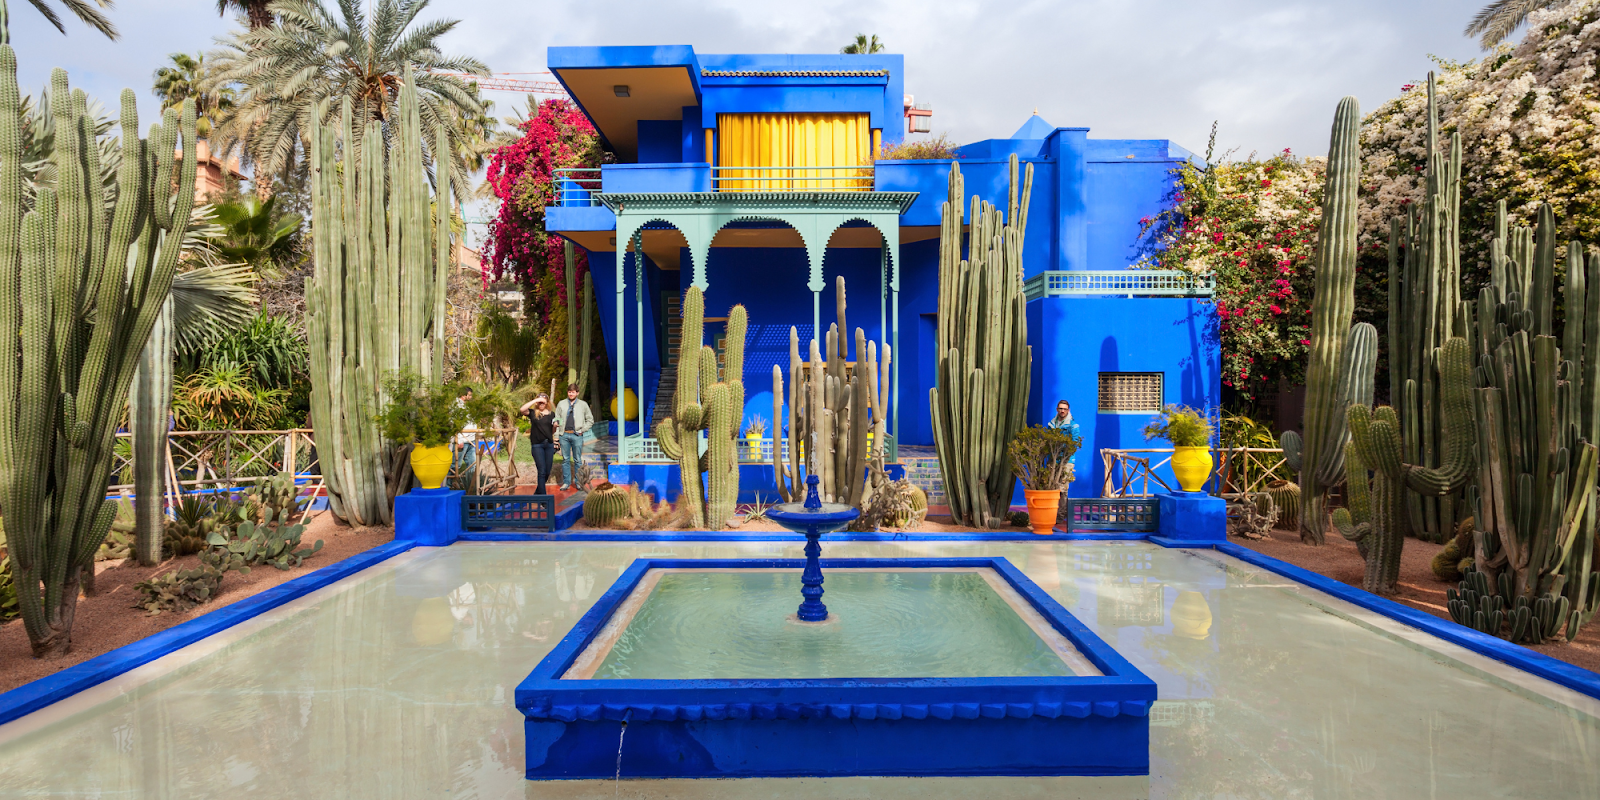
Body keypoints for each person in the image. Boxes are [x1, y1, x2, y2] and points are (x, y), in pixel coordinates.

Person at [553, 383, 594, 491]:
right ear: (568, 392)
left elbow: (590, 420)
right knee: (565, 459)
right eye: (569, 392)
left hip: (577, 435)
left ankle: (579, 482)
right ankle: (566, 482)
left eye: (573, 392)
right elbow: (557, 420)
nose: (571, 394)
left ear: (577, 393)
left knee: (577, 460)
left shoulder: (583, 404)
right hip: (564, 435)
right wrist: (556, 436)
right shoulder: (561, 404)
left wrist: (582, 430)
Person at [519, 394, 556, 494]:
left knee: (547, 472)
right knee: (542, 471)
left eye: (543, 402)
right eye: (539, 402)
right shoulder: (533, 413)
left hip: (548, 445)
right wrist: (536, 399)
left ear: (547, 403)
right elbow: (522, 409)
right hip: (537, 445)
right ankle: (543, 500)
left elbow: (551, 431)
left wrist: (555, 427)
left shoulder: (552, 414)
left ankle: (537, 494)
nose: (541, 404)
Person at [1046, 400, 1082, 474]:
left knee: (1062, 484)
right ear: (1057, 409)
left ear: (1068, 410)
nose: (1062, 411)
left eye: (1065, 409)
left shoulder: (1073, 425)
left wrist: (1062, 447)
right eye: (1060, 408)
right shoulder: (1051, 424)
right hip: (1052, 459)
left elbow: (1075, 442)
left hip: (1066, 460)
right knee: (1049, 484)